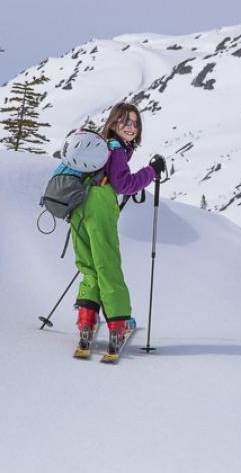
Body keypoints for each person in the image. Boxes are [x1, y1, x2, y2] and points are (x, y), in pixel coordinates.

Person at [71, 102, 165, 357]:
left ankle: (86, 327)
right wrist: (151, 171)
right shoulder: (115, 150)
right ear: (113, 123)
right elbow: (124, 184)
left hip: (77, 207)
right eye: (125, 121)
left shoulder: (98, 149)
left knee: (89, 268)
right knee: (107, 266)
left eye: (135, 122)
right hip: (99, 206)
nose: (131, 127)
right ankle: (118, 326)